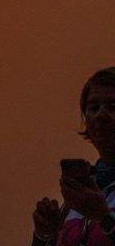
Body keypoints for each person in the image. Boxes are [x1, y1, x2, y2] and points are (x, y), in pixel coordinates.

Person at [31, 67, 115, 246]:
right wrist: (44, 235)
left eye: (112, 107)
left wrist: (104, 219)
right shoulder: (85, 190)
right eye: (93, 108)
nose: (101, 114)